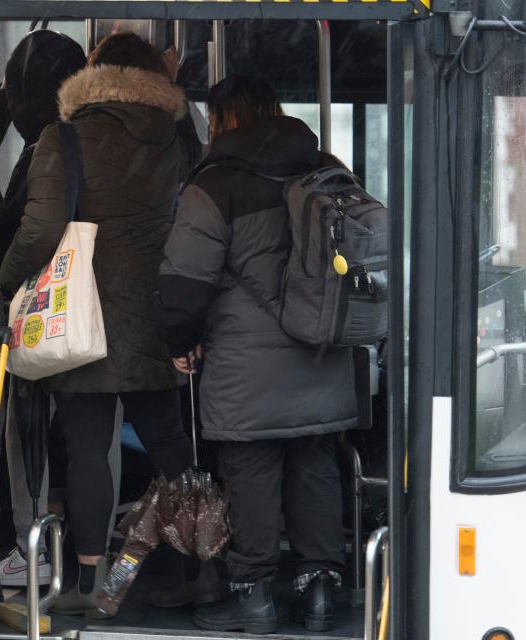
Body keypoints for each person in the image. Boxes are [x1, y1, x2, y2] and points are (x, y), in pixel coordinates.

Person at [0, 32, 201, 616]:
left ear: (93, 71)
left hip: (79, 314)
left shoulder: (64, 137)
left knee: (89, 449)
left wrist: (10, 281)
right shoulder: (178, 136)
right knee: (170, 444)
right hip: (159, 312)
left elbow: (39, 229)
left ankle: (90, 584)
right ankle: (198, 565)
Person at [156, 75, 355, 634]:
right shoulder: (328, 170)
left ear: (221, 121)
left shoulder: (214, 184)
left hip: (246, 366)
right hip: (322, 352)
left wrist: (177, 341)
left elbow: (184, 284)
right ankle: (319, 596)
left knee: (252, 473)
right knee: (315, 466)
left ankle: (254, 600)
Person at [0, 30, 88, 589]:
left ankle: (29, 545)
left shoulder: (51, 145)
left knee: (24, 432)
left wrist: (6, 281)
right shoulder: (89, 136)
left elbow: (26, 225)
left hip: (36, 305)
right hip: (76, 306)